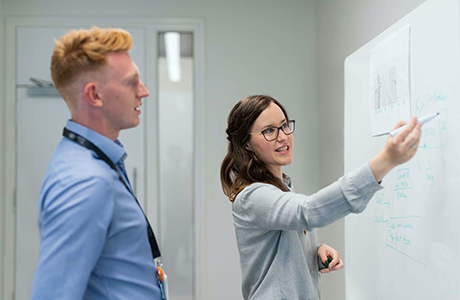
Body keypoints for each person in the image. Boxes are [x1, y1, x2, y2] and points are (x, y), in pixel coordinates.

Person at [220, 95, 422, 300]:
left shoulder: (284, 189)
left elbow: (276, 261)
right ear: (246, 144)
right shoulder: (252, 197)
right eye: (269, 131)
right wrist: (384, 161)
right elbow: (307, 211)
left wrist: (313, 253)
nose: (283, 137)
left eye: (284, 126)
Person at [31, 27, 162, 299]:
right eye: (132, 82)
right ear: (95, 95)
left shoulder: (95, 161)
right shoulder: (85, 182)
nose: (144, 91)